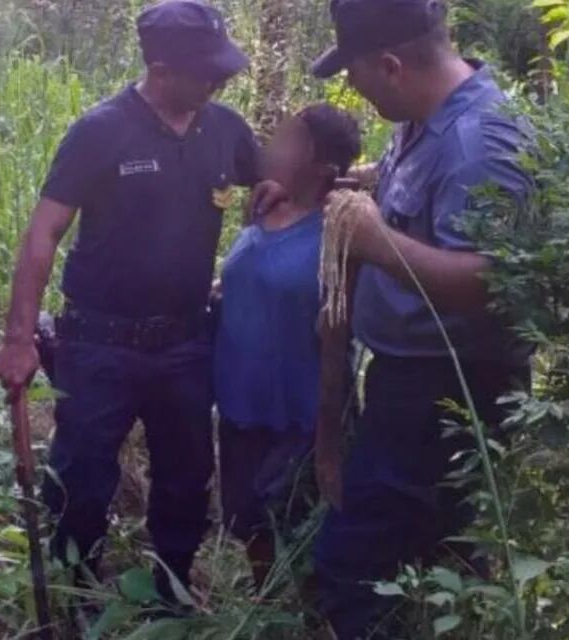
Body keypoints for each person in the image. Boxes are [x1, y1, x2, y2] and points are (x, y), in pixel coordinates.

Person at [0, 0, 258, 604]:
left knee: (187, 478)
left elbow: (270, 179)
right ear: (162, 70)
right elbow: (43, 234)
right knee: (81, 479)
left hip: (188, 341)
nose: (221, 81)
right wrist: (17, 338)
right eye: (207, 72)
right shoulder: (101, 131)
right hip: (98, 344)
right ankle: (78, 591)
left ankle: (172, 591)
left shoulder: (225, 130)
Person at [301, 0, 536, 637]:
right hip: (410, 381)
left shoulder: (479, 141)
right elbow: (420, 195)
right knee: (431, 565)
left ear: (392, 65)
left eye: (354, 76)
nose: (353, 90)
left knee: (354, 565)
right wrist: (356, 183)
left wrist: (377, 242)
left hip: (452, 392)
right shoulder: (424, 118)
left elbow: (492, 280)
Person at [213, 104, 361, 591]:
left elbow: (337, 328)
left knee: (294, 523)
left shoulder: (340, 232)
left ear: (321, 167)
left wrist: (329, 430)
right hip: (239, 402)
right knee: (246, 517)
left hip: (297, 413)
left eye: (291, 140)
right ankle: (265, 601)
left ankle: (303, 612)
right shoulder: (263, 206)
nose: (274, 146)